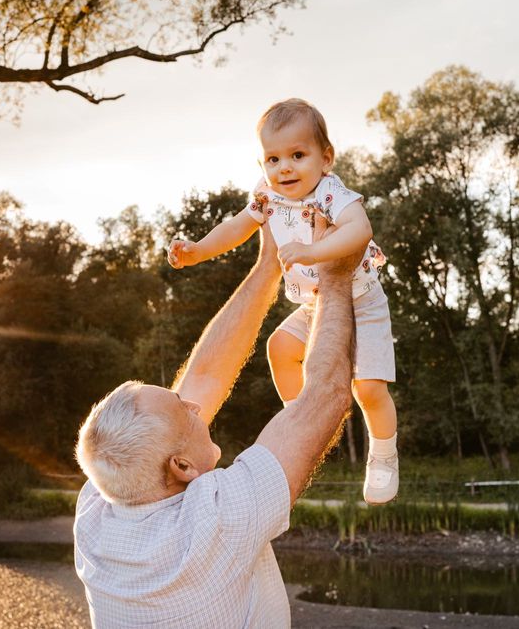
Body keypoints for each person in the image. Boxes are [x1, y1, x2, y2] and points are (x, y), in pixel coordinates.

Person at [74, 224, 358, 628]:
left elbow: (204, 376)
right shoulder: (218, 522)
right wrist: (335, 274)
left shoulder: (98, 508)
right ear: (182, 467)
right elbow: (325, 395)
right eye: (185, 411)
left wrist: (267, 267)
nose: (194, 405)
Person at [167, 98, 399, 504]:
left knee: (369, 389)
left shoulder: (330, 193)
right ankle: (305, 420)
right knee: (280, 347)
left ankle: (383, 454)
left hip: (362, 299)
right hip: (314, 304)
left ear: (325, 159)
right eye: (272, 159)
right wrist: (199, 250)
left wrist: (313, 253)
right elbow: (238, 226)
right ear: (262, 166)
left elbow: (359, 229)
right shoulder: (267, 197)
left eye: (297, 155)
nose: (284, 168)